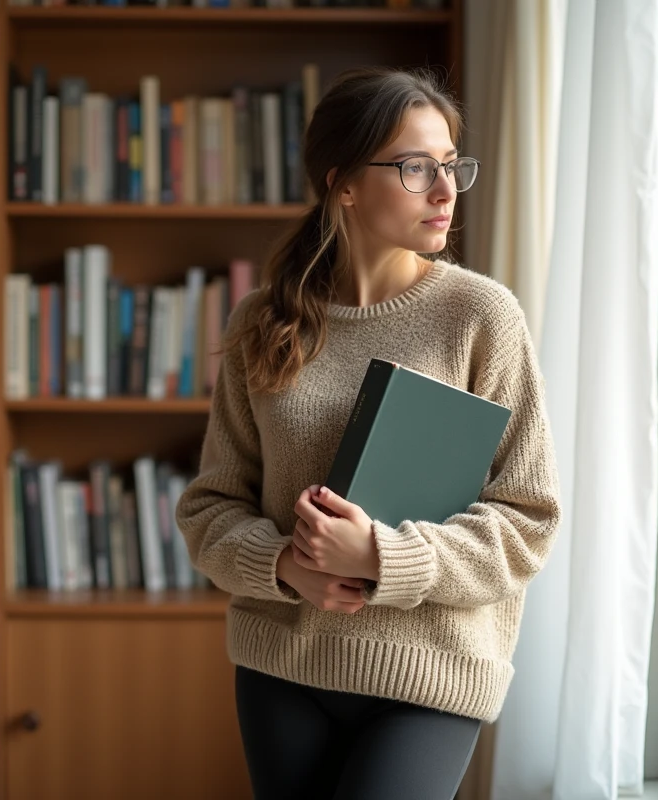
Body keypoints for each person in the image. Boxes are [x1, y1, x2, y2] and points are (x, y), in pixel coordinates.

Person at [174, 65, 562, 800]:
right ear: (343, 183)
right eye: (416, 168)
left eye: (451, 167)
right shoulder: (263, 322)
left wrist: (384, 555)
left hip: (430, 673)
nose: (445, 191)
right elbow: (210, 508)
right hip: (281, 669)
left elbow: (529, 519)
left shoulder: (482, 316)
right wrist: (288, 564)